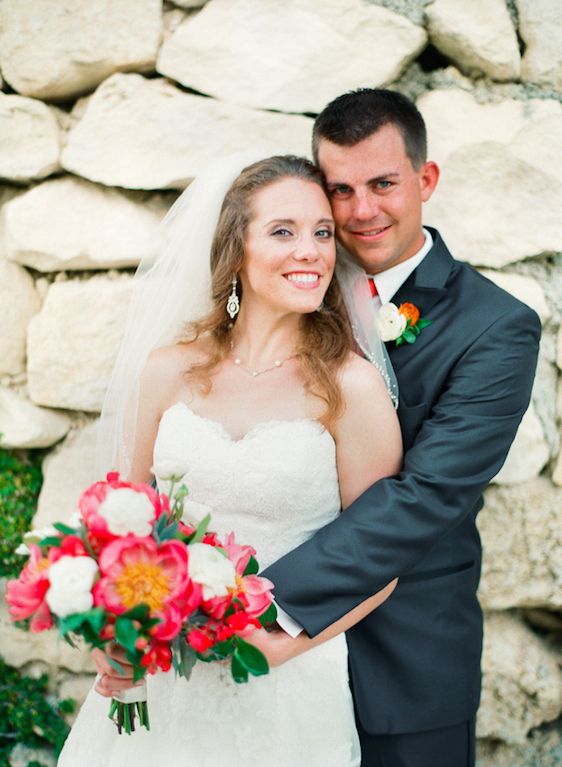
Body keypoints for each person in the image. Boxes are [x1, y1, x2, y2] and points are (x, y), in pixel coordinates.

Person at [56, 154, 403, 766]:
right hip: (164, 671)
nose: (312, 251)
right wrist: (111, 638)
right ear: (235, 249)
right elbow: (114, 526)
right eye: (283, 231)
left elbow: (380, 560)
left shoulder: (351, 387)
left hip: (288, 681)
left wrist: (276, 646)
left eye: (323, 232)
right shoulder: (168, 369)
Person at [260, 89, 542, 767]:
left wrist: (261, 599)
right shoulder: (286, 288)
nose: (361, 211)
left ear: (426, 179)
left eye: (383, 184)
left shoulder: (495, 326)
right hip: (269, 674)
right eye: (342, 189)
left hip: (403, 660)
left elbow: (428, 494)